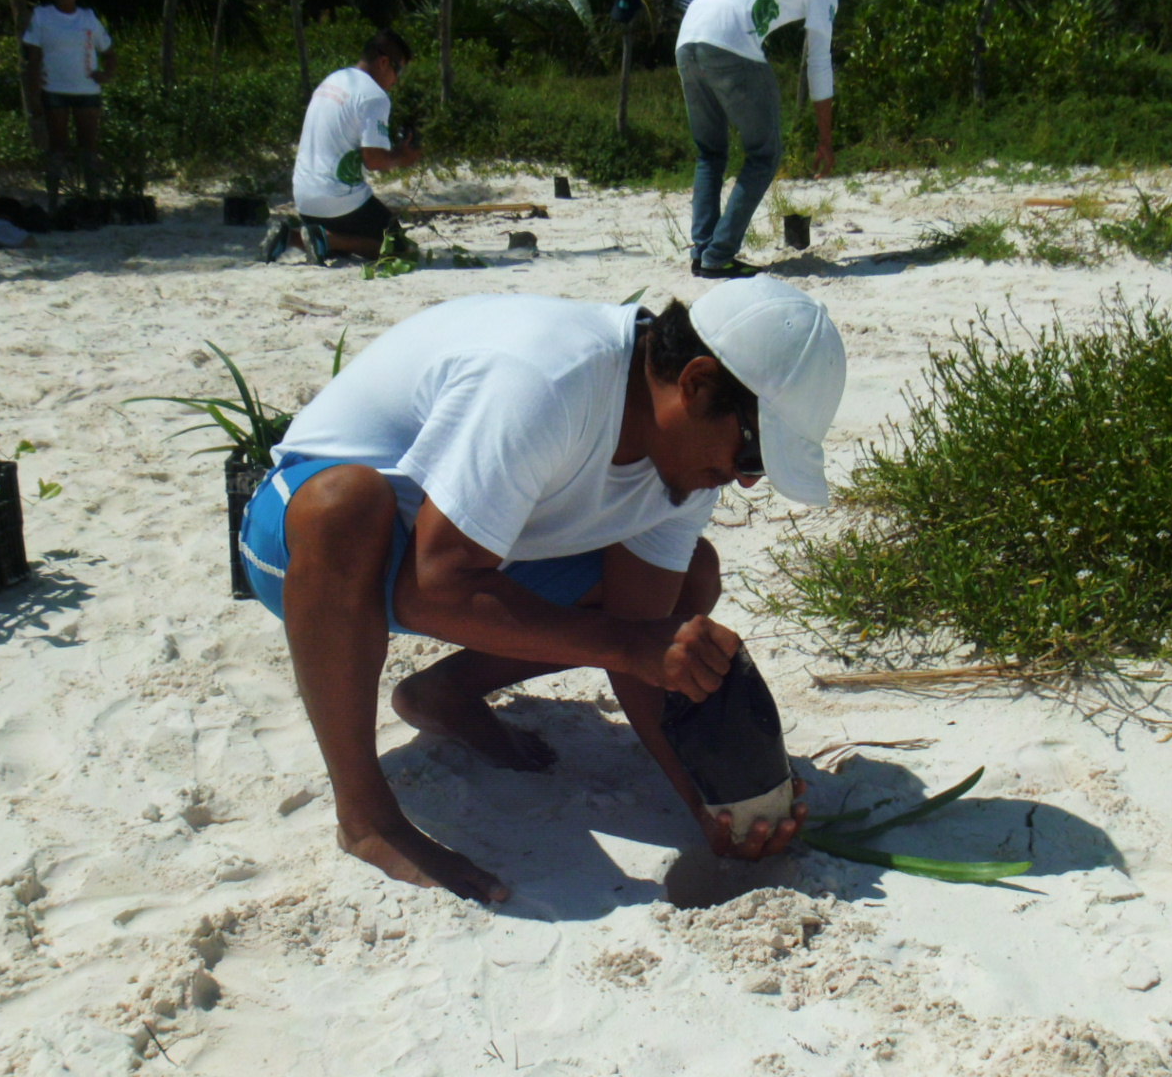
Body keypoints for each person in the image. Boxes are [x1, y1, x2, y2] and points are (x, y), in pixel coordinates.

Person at [234, 276, 846, 902]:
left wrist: (714, 806)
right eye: (753, 453)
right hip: (308, 544)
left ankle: (446, 692)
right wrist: (634, 645)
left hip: (458, 555)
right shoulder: (548, 381)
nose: (745, 482)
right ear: (694, 383)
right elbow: (432, 589)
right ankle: (365, 816)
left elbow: (641, 641)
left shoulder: (687, 460)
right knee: (346, 506)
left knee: (690, 580)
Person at [676, 0, 839, 280]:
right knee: (765, 154)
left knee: (710, 152)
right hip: (731, 42)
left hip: (687, 38)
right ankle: (719, 255)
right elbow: (819, 62)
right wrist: (826, 140)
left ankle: (702, 251)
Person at [261, 29, 423, 266]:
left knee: (360, 240)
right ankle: (321, 240)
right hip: (339, 202)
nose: (397, 80)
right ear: (384, 62)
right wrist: (403, 156)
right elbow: (374, 160)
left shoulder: (334, 79)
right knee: (401, 250)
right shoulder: (374, 96)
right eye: (398, 70)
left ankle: (297, 237)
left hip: (304, 199)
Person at [22, 0, 114, 193]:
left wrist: (107, 74)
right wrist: (33, 93)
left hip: (87, 90)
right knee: (57, 147)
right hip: (54, 89)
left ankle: (93, 197)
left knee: (89, 147)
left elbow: (109, 50)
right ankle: (54, 197)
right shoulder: (42, 16)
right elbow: (33, 57)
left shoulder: (88, 17)